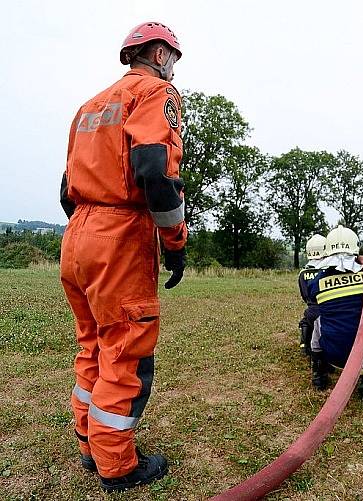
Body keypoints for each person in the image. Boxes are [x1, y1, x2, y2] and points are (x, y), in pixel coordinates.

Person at [59, 21, 187, 491]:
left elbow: (65, 189)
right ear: (158, 54)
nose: (174, 69)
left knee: (92, 343)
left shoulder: (89, 107)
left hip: (78, 234)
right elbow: (155, 173)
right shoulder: (156, 94)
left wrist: (87, 229)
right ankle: (117, 466)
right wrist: (174, 242)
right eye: (173, 58)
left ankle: (89, 445)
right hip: (120, 234)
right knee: (126, 350)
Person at [308, 226, 363, 404]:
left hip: (338, 359)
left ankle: (320, 371)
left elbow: (313, 300)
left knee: (319, 322)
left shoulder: (317, 282)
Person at [298, 234, 326, 355]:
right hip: (326, 309)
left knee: (306, 320)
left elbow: (304, 295)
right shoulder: (326, 271)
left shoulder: (303, 272)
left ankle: (304, 344)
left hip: (311, 309)